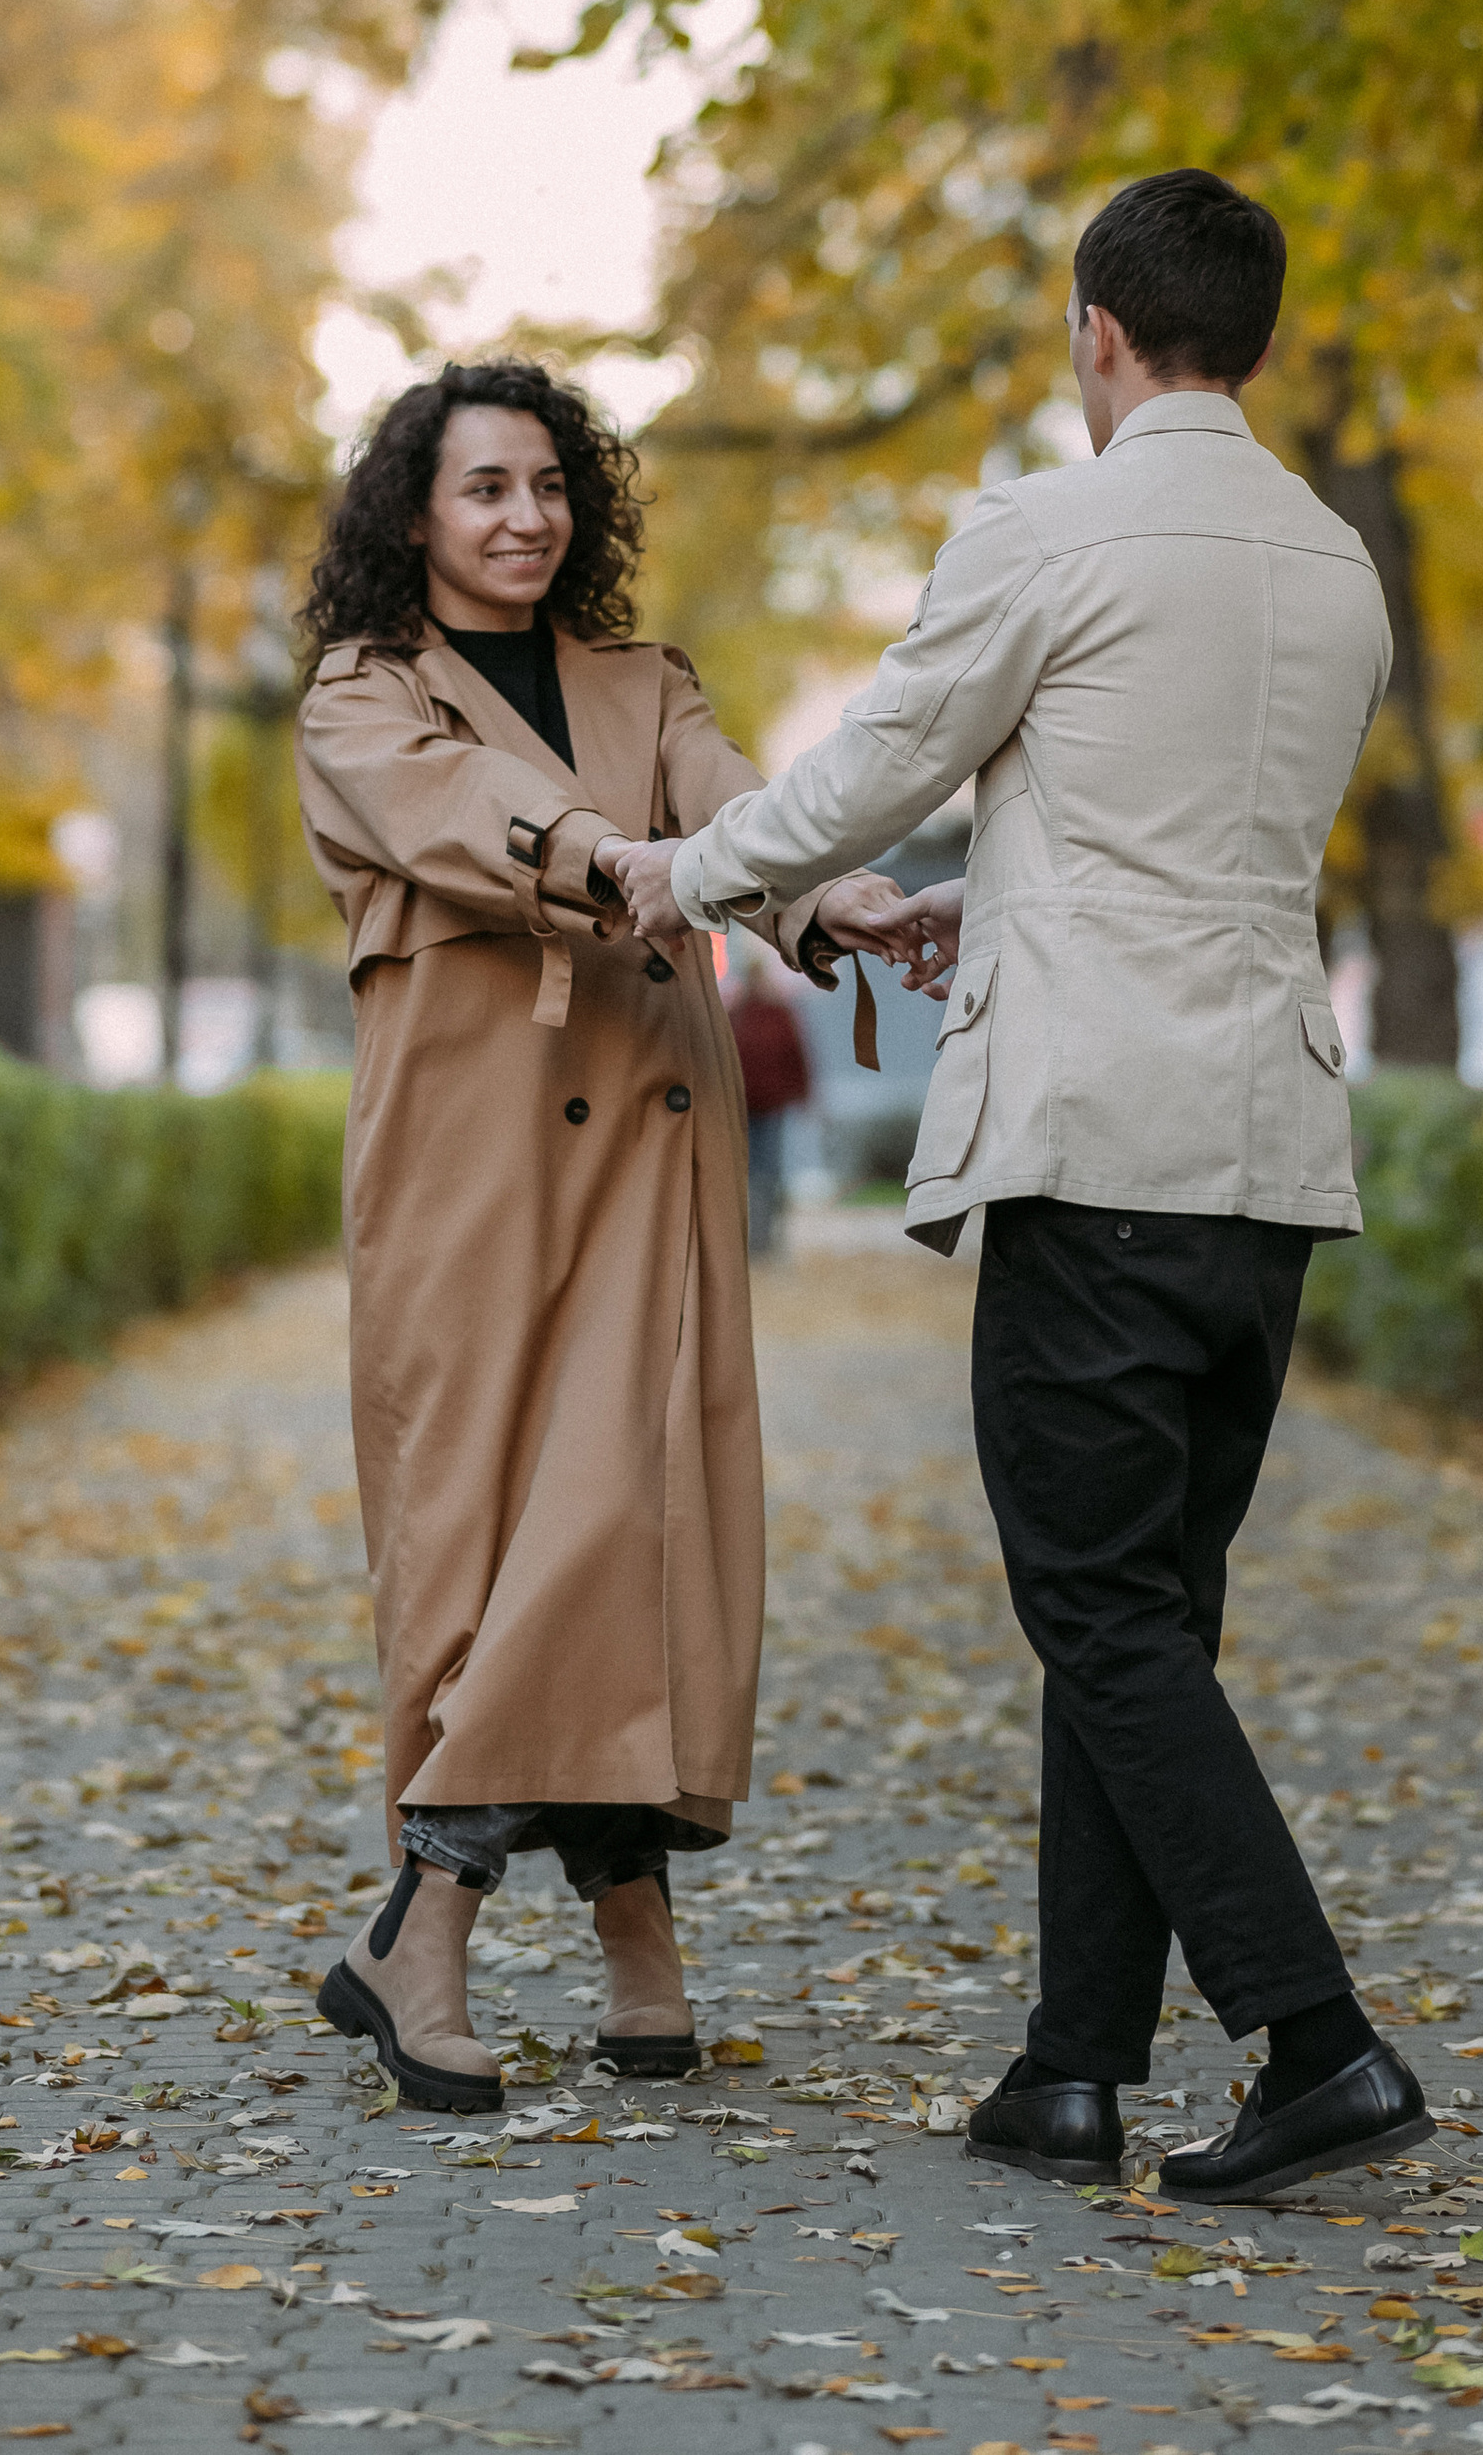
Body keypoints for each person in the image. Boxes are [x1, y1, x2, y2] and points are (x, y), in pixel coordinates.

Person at [603, 172, 1436, 2204]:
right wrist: (951, 905)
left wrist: (675, 874)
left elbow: (862, 762)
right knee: (1143, 1620)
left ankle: (1310, 2038)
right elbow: (1173, 841)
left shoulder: (1046, 533)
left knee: (1095, 1616)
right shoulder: (1333, 565)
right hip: (1260, 1157)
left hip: (1092, 1147)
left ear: (1095, 332)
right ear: (1244, 331)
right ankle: (1070, 2069)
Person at [293, 358, 905, 2113]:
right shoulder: (361, 694)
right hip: (468, 1176)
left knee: (628, 1509)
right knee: (490, 1540)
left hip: (645, 1143)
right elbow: (457, 821)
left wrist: (826, 891)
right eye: (485, 485)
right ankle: (500, 1924)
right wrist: (612, 852)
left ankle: (502, 1929)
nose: (524, 515)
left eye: (550, 483)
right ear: (415, 509)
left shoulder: (646, 682)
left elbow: (731, 807)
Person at [723, 936, 815, 1258]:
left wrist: (804, 1096)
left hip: (770, 1108)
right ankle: (743, 1242)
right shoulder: (733, 1014)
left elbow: (797, 1057)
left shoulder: (779, 1013)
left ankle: (763, 1242)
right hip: (738, 1109)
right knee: (742, 1176)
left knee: (767, 1175)